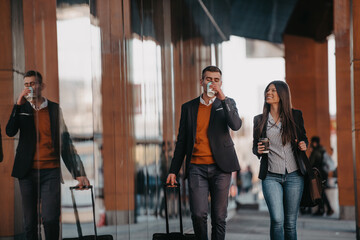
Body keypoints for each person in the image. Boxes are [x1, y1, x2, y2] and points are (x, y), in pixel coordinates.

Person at [5, 70, 90, 240]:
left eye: (33, 83)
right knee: (29, 223)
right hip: (27, 173)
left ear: (41, 86)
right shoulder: (22, 108)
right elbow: (10, 131)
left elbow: (65, 143)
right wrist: (18, 105)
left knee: (51, 220)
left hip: (50, 172)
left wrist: (79, 172)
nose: (30, 88)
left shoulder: (53, 109)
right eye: (26, 85)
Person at [166, 66, 242, 240]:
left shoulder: (227, 103)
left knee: (219, 217)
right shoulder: (189, 108)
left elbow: (236, 125)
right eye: (209, 79)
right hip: (196, 168)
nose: (212, 83)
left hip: (221, 168)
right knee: (198, 214)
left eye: (216, 80)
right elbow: (182, 141)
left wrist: (223, 99)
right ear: (202, 82)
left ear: (221, 83)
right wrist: (173, 170)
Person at [252, 81, 308, 240]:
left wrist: (304, 144)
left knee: (290, 222)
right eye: (267, 90)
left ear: (282, 95)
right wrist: (258, 150)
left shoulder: (295, 116)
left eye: (273, 90)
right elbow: (255, 146)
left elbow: (304, 138)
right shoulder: (259, 120)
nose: (269, 93)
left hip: (294, 175)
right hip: (270, 176)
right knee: (277, 219)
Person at [309, 136, 334, 216]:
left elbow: (311, 163)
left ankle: (324, 209)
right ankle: (324, 209)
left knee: (319, 192)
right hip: (323, 174)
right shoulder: (322, 150)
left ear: (314, 142)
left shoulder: (316, 151)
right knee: (321, 192)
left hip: (318, 174)